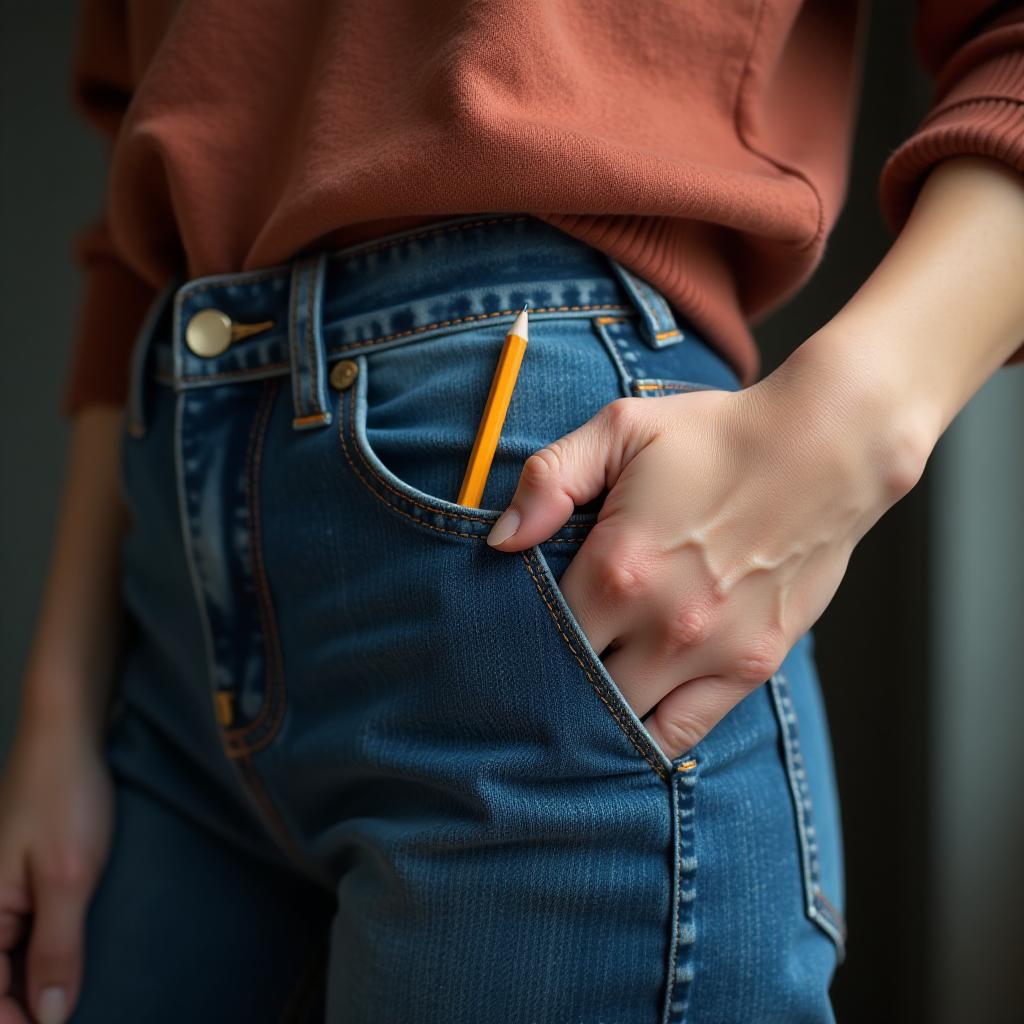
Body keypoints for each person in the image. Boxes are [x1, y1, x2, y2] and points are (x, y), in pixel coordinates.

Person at [2, 1, 1023, 1021]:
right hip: (174, 619)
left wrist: (860, 423)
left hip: (547, 543)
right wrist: (59, 710)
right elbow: (142, 177)